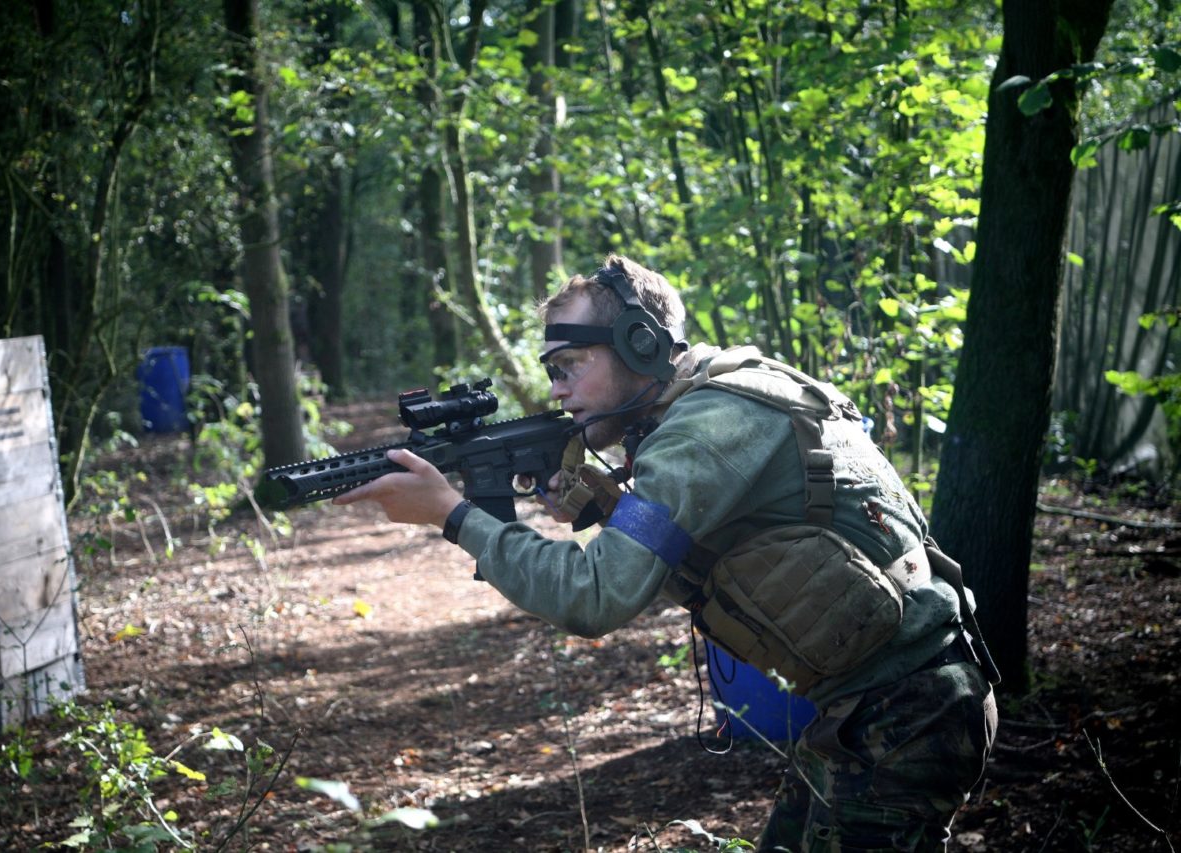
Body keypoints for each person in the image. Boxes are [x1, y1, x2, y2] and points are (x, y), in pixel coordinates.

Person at [333, 254, 998, 852]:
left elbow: (595, 596)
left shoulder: (703, 429)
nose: (557, 390)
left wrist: (454, 515)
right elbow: (701, 547)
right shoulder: (710, 401)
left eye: (569, 367)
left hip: (909, 711)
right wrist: (601, 505)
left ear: (640, 344)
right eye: (551, 373)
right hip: (872, 707)